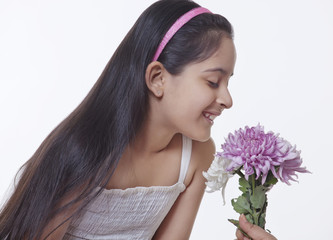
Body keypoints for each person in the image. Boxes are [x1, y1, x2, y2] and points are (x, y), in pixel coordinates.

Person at [0, 0, 276, 239]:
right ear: (158, 79)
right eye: (213, 81)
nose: (228, 99)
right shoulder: (84, 150)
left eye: (227, 82)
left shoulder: (197, 155)